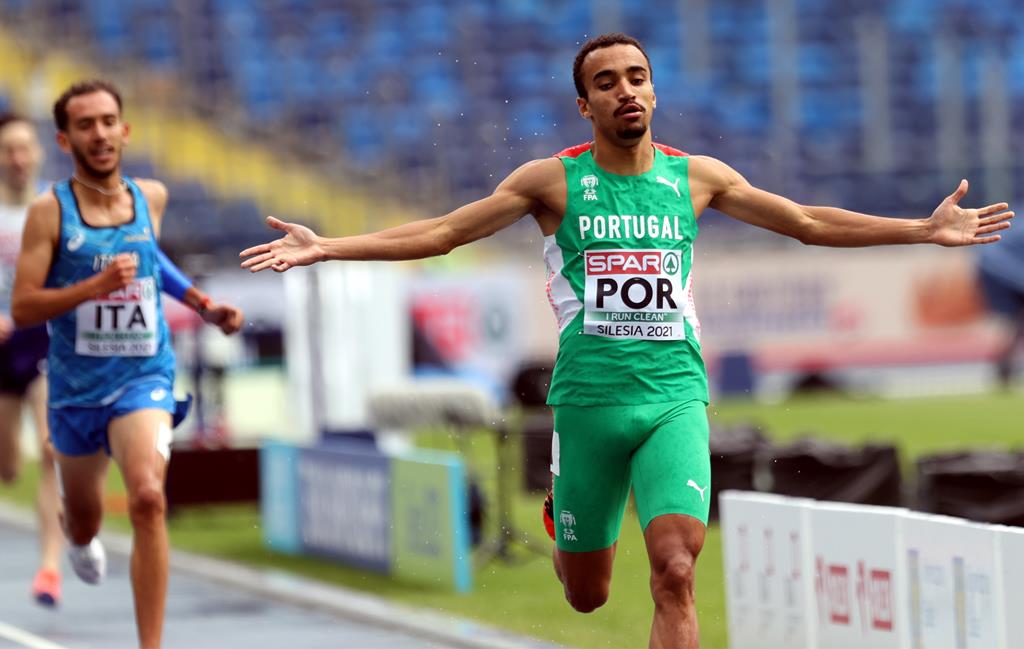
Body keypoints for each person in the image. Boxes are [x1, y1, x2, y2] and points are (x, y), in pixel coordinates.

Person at [239, 33, 1013, 649]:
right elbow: (442, 232)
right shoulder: (550, 182)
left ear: (655, 89)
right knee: (587, 594)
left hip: (674, 395)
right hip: (586, 404)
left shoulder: (697, 177)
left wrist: (920, 228)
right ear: (585, 105)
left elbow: (807, 222)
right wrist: (329, 246)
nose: (627, 90)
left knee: (675, 570)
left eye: (637, 76)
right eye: (607, 81)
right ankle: (564, 512)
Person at [12, 79, 244, 649]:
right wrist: (93, 286)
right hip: (76, 389)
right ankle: (78, 533)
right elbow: (22, 306)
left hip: (143, 375)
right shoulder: (49, 212)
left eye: (108, 121)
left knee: (147, 496)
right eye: (85, 125)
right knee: (87, 521)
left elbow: (150, 261)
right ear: (65, 139)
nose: (100, 133)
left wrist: (201, 304)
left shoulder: (151, 198)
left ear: (125, 130)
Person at [0, 113, 62, 606]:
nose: (18, 159)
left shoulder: (55, 206)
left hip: (41, 337)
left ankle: (49, 570)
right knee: (8, 467)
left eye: (25, 148)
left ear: (39, 152)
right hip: (0, 347)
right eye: (7, 151)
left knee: (48, 448)